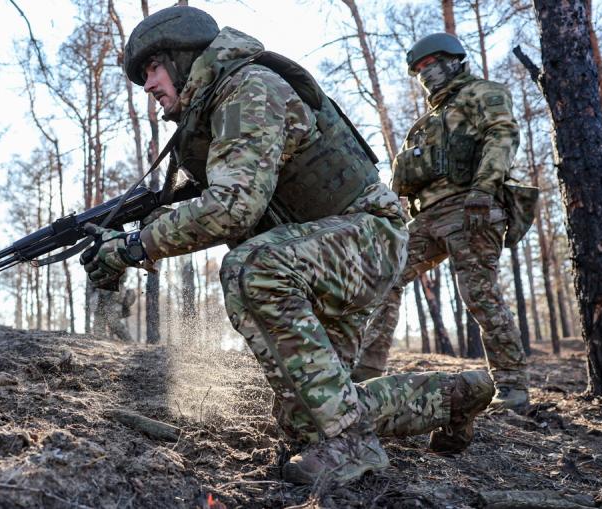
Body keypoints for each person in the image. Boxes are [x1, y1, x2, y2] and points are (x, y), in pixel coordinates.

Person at [80, 7, 494, 484]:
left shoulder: (248, 88)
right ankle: (459, 395)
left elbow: (232, 208)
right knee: (308, 418)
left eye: (152, 69)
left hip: (366, 239)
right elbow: (231, 203)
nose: (147, 85)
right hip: (324, 254)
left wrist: (133, 247)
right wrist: (134, 236)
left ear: (180, 57)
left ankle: (352, 445)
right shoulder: (213, 114)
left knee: (250, 267)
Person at [358, 33, 530, 411]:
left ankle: (513, 388)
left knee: (479, 294)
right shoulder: (426, 122)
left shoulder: (481, 93)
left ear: (454, 60)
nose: (426, 74)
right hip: (428, 217)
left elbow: (501, 135)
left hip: (472, 208)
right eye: (419, 69)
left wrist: (484, 191)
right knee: (386, 277)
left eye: (431, 64)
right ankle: (364, 373)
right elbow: (403, 178)